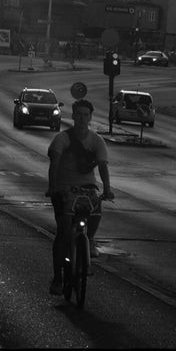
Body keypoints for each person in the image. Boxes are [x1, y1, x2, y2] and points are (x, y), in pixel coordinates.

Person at [45, 99, 114, 294]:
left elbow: (102, 166)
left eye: (86, 115)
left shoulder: (96, 141)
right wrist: (53, 187)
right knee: (63, 233)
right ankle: (58, 278)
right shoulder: (62, 139)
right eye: (79, 114)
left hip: (87, 189)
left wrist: (107, 189)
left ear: (90, 117)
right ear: (73, 116)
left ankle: (89, 240)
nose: (82, 118)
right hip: (64, 189)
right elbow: (54, 164)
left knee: (96, 208)